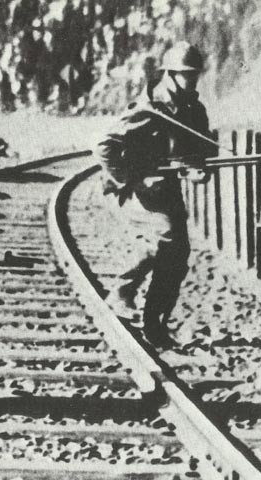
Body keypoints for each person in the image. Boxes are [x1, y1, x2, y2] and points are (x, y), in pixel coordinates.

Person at [97, 42, 217, 348]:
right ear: (170, 74)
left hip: (165, 188)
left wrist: (198, 169)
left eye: (194, 75)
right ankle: (122, 293)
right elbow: (104, 147)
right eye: (185, 75)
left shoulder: (192, 109)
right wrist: (131, 180)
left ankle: (155, 324)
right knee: (165, 237)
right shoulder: (148, 107)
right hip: (131, 187)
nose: (191, 82)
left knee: (178, 255)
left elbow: (200, 152)